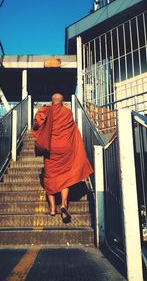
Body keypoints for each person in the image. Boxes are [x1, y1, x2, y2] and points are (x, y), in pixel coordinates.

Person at [32, 93, 93, 223]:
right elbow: (72, 128)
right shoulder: (67, 112)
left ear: (51, 101)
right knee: (65, 176)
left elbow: (37, 122)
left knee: (49, 177)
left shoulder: (46, 110)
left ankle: (53, 208)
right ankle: (64, 204)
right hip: (66, 148)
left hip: (51, 148)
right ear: (63, 101)